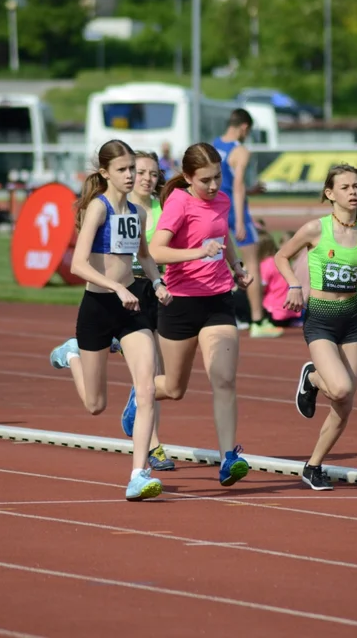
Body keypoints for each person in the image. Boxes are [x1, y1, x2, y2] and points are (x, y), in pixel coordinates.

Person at [48, 140, 168, 501]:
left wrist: (158, 282)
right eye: (123, 170)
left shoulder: (139, 213)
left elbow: (145, 258)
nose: (131, 175)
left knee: (146, 389)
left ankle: (137, 474)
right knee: (95, 405)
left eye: (133, 168)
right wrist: (115, 286)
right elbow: (78, 264)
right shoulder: (98, 210)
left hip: (131, 310)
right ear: (105, 173)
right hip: (98, 308)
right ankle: (72, 355)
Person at [138, 142, 254, 487]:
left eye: (218, 177)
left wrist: (236, 266)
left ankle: (228, 457)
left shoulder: (222, 200)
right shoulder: (178, 202)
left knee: (224, 378)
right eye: (206, 180)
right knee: (173, 389)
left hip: (218, 300)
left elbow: (222, 234)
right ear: (189, 177)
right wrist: (196, 252)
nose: (215, 186)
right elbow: (157, 250)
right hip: (180, 304)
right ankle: (140, 394)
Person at [274, 164, 357, 490]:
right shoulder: (315, 229)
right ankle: (311, 377)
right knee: (338, 388)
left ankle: (313, 465)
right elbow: (282, 256)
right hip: (321, 318)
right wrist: (294, 284)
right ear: (330, 193)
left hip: (351, 319)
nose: (353, 192)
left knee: (345, 403)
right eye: (346, 187)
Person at [119, 150, 177, 471]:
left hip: (160, 289)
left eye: (153, 173)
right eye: (141, 172)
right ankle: (154, 446)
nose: (147, 179)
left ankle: (134, 403)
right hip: (128, 291)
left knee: (165, 374)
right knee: (147, 370)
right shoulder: (118, 208)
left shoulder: (164, 207)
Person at [214, 108, 283, 338]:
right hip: (235, 211)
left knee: (215, 260)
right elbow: (238, 185)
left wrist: (249, 190)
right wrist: (242, 220)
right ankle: (257, 320)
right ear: (244, 127)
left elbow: (224, 182)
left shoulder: (213, 146)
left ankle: (218, 314)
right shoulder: (241, 150)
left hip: (215, 208)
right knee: (251, 264)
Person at [258, 231, 303, 327]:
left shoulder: (266, 264)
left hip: (275, 311)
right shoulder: (280, 262)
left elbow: (261, 288)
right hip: (290, 311)